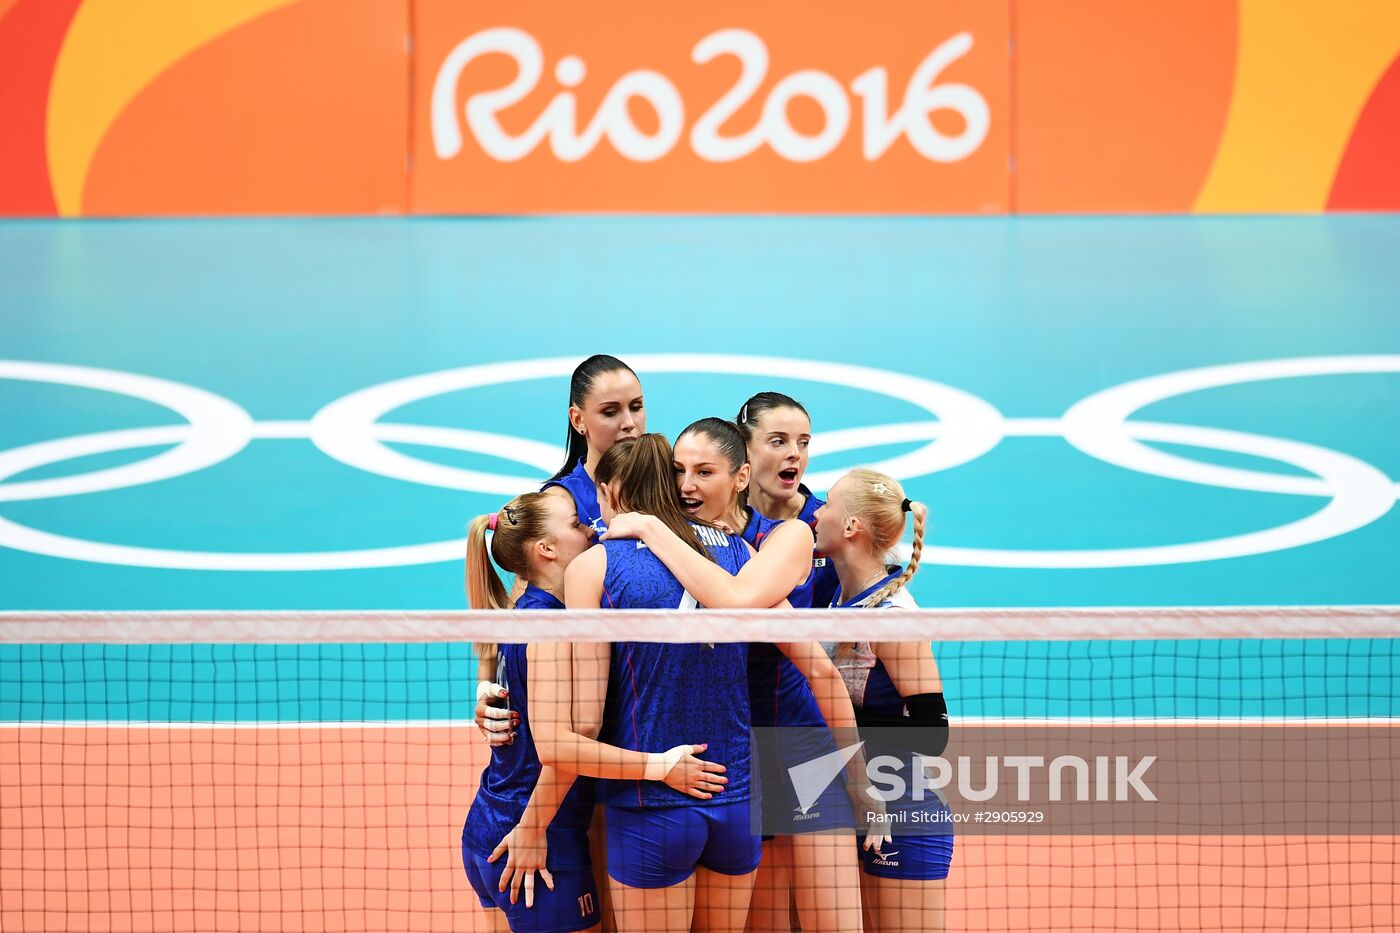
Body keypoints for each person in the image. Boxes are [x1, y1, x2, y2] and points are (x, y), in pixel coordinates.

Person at [602, 418, 870, 932]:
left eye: (703, 472)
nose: (685, 486)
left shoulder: (781, 538)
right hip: (728, 760)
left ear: (740, 477)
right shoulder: (654, 552)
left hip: (798, 748)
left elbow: (741, 605)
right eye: (677, 471)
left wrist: (863, 786)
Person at [814, 468, 953, 933]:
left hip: (902, 813)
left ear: (851, 526)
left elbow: (934, 732)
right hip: (852, 806)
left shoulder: (892, 619)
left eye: (828, 504)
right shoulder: (840, 600)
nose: (818, 513)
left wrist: (841, 723)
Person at [461, 492, 601, 932]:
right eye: (578, 524)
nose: (590, 529)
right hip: (535, 840)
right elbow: (558, 748)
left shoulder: (520, 615)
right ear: (546, 549)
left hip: (486, 824)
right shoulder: (552, 628)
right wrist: (658, 767)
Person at [733, 392, 838, 609]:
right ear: (743, 447)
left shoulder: (830, 526)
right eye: (778, 441)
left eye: (803, 443)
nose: (795, 453)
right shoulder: (716, 522)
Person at [542, 354, 645, 534]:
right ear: (578, 420)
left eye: (636, 407)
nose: (629, 422)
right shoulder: (561, 503)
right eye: (610, 412)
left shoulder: (675, 485)